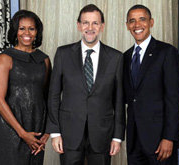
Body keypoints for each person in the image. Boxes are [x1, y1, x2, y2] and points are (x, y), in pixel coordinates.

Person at [46, 4, 125, 165]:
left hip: (102, 134)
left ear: (102, 26)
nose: (90, 27)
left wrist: (117, 136)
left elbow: (119, 100)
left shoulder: (116, 58)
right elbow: (53, 95)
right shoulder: (63, 54)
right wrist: (55, 132)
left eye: (95, 23)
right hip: (69, 133)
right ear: (78, 25)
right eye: (85, 23)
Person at [0, 10, 51, 165]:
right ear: (15, 31)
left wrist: (47, 132)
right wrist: (22, 134)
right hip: (9, 129)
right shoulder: (6, 58)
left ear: (37, 31)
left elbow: (47, 97)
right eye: (22, 28)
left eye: (31, 28)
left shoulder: (44, 60)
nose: (27, 33)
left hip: (35, 127)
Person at [123, 5, 179, 165]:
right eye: (132, 21)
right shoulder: (126, 57)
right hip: (134, 140)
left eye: (142, 19)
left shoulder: (166, 52)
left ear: (151, 22)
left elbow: (174, 98)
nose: (137, 25)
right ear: (128, 25)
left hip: (159, 141)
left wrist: (169, 137)